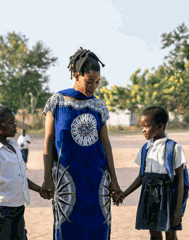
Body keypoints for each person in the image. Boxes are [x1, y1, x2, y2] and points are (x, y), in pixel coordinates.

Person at [40, 47, 123, 240]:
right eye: (89, 81)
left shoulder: (98, 106)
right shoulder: (56, 103)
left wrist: (114, 181)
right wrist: (47, 178)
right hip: (67, 182)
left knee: (97, 229)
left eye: (97, 82)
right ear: (76, 75)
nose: (94, 86)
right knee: (67, 228)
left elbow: (106, 145)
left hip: (96, 181)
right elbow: (48, 141)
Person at [122, 106, 188, 240]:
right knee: (153, 233)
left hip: (168, 196)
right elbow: (142, 176)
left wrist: (177, 209)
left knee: (170, 234)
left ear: (160, 126)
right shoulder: (145, 148)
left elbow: (180, 181)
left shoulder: (174, 148)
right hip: (149, 195)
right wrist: (124, 194)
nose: (143, 130)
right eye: (142, 126)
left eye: (146, 126)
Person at [0, 105, 41, 240]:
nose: (15, 126)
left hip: (18, 208)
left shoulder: (14, 146)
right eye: (11, 122)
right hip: (1, 211)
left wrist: (40, 190)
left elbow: (22, 177)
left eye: (14, 122)